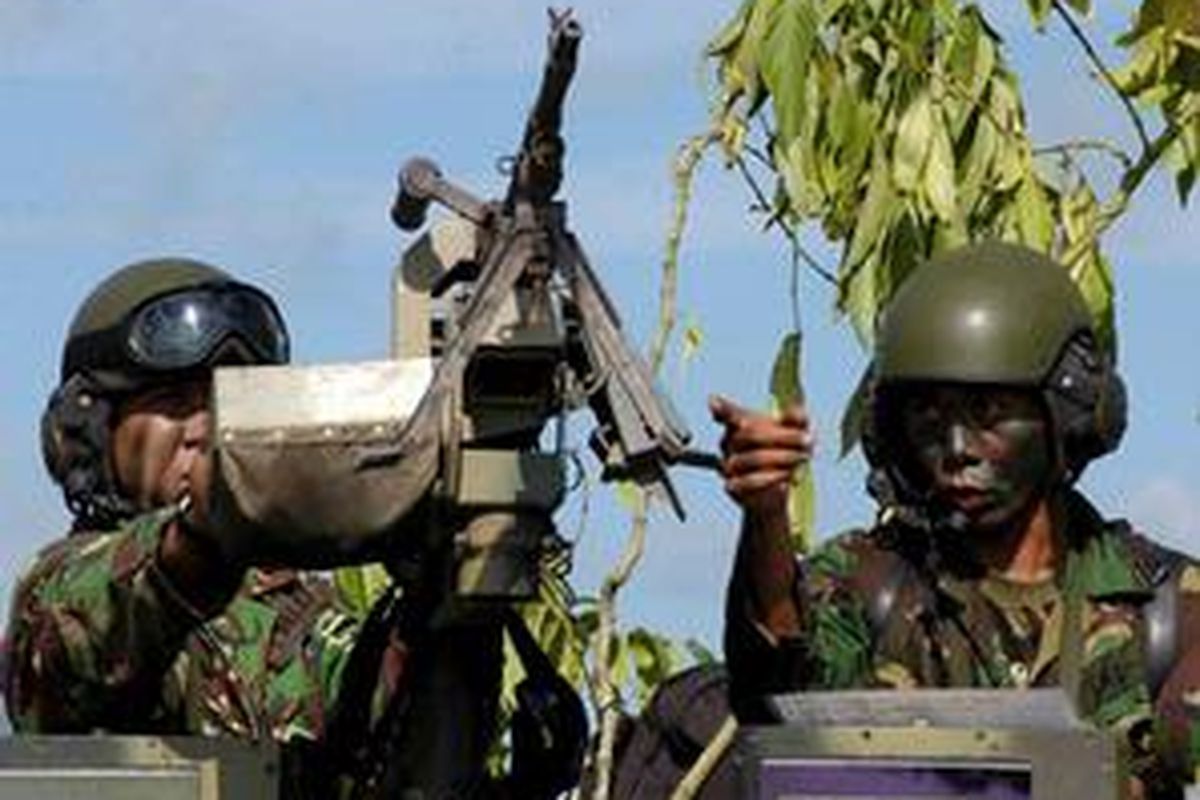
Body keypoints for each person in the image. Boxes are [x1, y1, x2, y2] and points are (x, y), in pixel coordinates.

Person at [4, 256, 584, 799]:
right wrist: (212, 525)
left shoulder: (295, 615)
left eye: (225, 400)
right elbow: (93, 633)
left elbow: (390, 751)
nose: (205, 428)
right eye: (176, 400)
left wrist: (445, 600)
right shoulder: (63, 591)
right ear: (90, 431)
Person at [711, 240, 1200, 798]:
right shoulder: (871, 584)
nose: (957, 447)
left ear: (1066, 415)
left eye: (989, 412)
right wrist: (765, 516)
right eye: (929, 414)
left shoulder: (1164, 608)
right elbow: (771, 692)